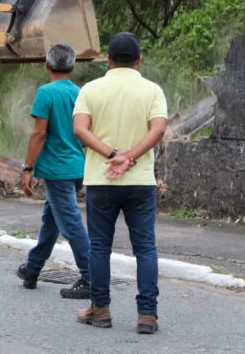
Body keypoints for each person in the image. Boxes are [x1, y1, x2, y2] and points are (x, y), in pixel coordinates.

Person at [72, 32, 167, 335]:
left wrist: (112, 155)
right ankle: (147, 315)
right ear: (139, 60)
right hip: (140, 181)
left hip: (101, 180)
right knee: (145, 248)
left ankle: (100, 309)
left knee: (99, 247)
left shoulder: (91, 89)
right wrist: (131, 157)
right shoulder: (152, 90)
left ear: (108, 60)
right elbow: (158, 129)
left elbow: (80, 130)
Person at [15, 43, 92, 300]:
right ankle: (32, 268)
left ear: (47, 64)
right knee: (52, 217)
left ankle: (91, 276)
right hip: (76, 166)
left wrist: (27, 167)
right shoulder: (80, 93)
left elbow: (39, 133)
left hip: (56, 169)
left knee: (69, 223)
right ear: (72, 65)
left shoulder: (46, 93)